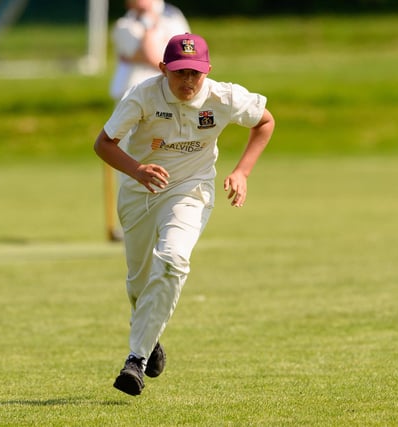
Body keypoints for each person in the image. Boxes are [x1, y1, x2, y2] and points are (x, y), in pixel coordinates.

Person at [94, 33, 275, 396]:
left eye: (196, 73)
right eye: (180, 73)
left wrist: (242, 172)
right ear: (163, 69)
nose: (188, 81)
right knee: (138, 283)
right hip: (139, 191)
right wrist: (137, 170)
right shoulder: (143, 95)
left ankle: (136, 360)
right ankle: (150, 334)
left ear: (207, 71)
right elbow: (103, 143)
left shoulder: (224, 97)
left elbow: (265, 122)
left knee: (173, 259)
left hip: (191, 189)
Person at [104, 0, 190, 241]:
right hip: (131, 102)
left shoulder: (174, 17)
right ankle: (133, 222)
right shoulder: (124, 25)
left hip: (167, 101)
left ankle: (170, 218)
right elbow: (152, 55)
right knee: (129, 161)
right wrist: (152, 29)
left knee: (170, 157)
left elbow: (184, 57)